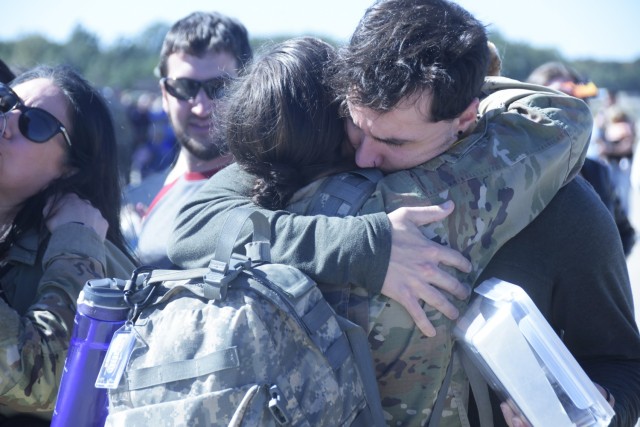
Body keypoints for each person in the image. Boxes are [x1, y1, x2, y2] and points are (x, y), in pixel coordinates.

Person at [169, 2, 600, 425]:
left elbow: (619, 365)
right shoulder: (315, 128)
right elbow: (193, 225)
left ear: (466, 118)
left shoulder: (542, 197)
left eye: (395, 143)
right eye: (354, 123)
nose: (363, 157)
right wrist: (365, 245)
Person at [0, 65, 136, 424]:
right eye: (4, 101)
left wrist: (76, 243)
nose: (8, 122)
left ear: (71, 168)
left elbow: (58, 382)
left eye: (36, 124)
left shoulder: (102, 261)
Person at [122, 11, 252, 267]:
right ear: (164, 93)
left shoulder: (269, 189)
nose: (201, 108)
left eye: (220, 87)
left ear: (247, 87)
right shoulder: (137, 197)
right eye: (184, 88)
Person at [526, 62, 636, 255]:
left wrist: (605, 273)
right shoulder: (516, 172)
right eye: (556, 101)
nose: (570, 110)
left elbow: (625, 233)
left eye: (577, 100)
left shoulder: (597, 172)